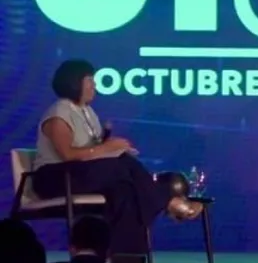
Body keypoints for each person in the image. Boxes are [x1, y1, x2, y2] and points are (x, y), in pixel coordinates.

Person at [32, 59, 203, 256]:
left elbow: (93, 151)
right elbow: (68, 154)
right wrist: (106, 148)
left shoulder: (87, 112)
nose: (95, 86)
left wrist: (110, 146)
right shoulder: (59, 112)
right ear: (74, 82)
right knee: (121, 165)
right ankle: (168, 199)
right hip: (56, 178)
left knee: (126, 193)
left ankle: (125, 258)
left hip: (82, 175)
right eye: (90, 80)